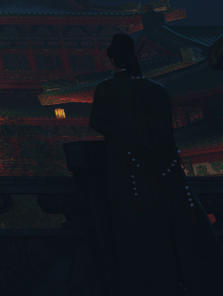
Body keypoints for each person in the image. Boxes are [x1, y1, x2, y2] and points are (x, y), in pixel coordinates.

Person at [90, 32, 223, 295]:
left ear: (112, 61)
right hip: (167, 171)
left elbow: (98, 123)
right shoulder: (158, 89)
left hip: (129, 171)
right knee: (177, 223)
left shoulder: (107, 89)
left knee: (137, 226)